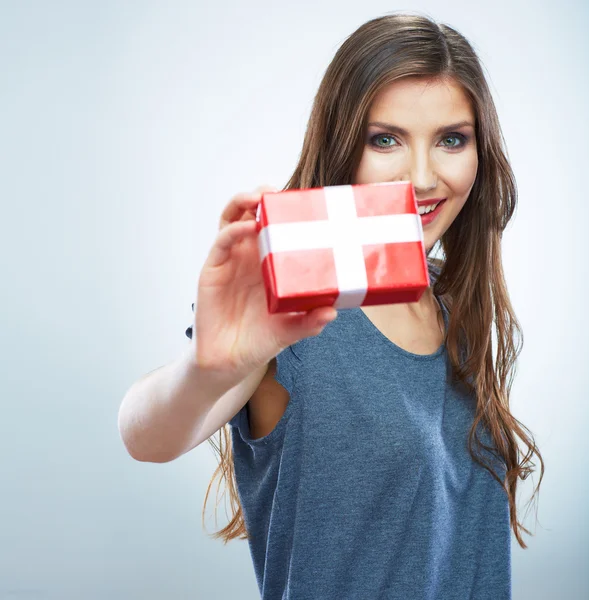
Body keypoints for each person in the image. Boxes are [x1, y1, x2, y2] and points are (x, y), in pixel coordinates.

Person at [118, 11, 544, 599]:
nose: (422, 177)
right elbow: (147, 435)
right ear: (344, 145)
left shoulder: (456, 306)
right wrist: (205, 370)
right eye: (386, 139)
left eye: (451, 139)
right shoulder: (293, 311)